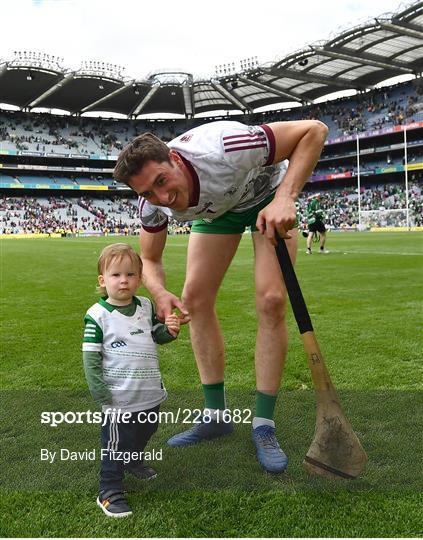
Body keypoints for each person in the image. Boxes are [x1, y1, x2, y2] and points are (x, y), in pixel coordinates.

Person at [113, 119, 328, 474]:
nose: (162, 198)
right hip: (217, 216)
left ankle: (263, 425)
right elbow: (149, 259)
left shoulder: (225, 146)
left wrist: (286, 197)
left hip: (266, 198)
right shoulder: (152, 204)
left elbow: (314, 130)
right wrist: (159, 291)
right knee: (194, 301)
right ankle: (215, 415)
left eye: (162, 182)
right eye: (148, 193)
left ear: (176, 160)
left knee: (271, 301)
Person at [82, 243, 180, 517]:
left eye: (130, 274)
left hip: (149, 393)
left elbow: (154, 335)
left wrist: (169, 331)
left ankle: (133, 461)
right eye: (115, 275)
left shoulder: (145, 306)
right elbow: (90, 357)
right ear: (103, 280)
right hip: (119, 398)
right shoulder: (98, 316)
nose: (123, 280)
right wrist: (99, 389)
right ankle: (109, 489)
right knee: (116, 443)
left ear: (139, 278)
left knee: (146, 430)